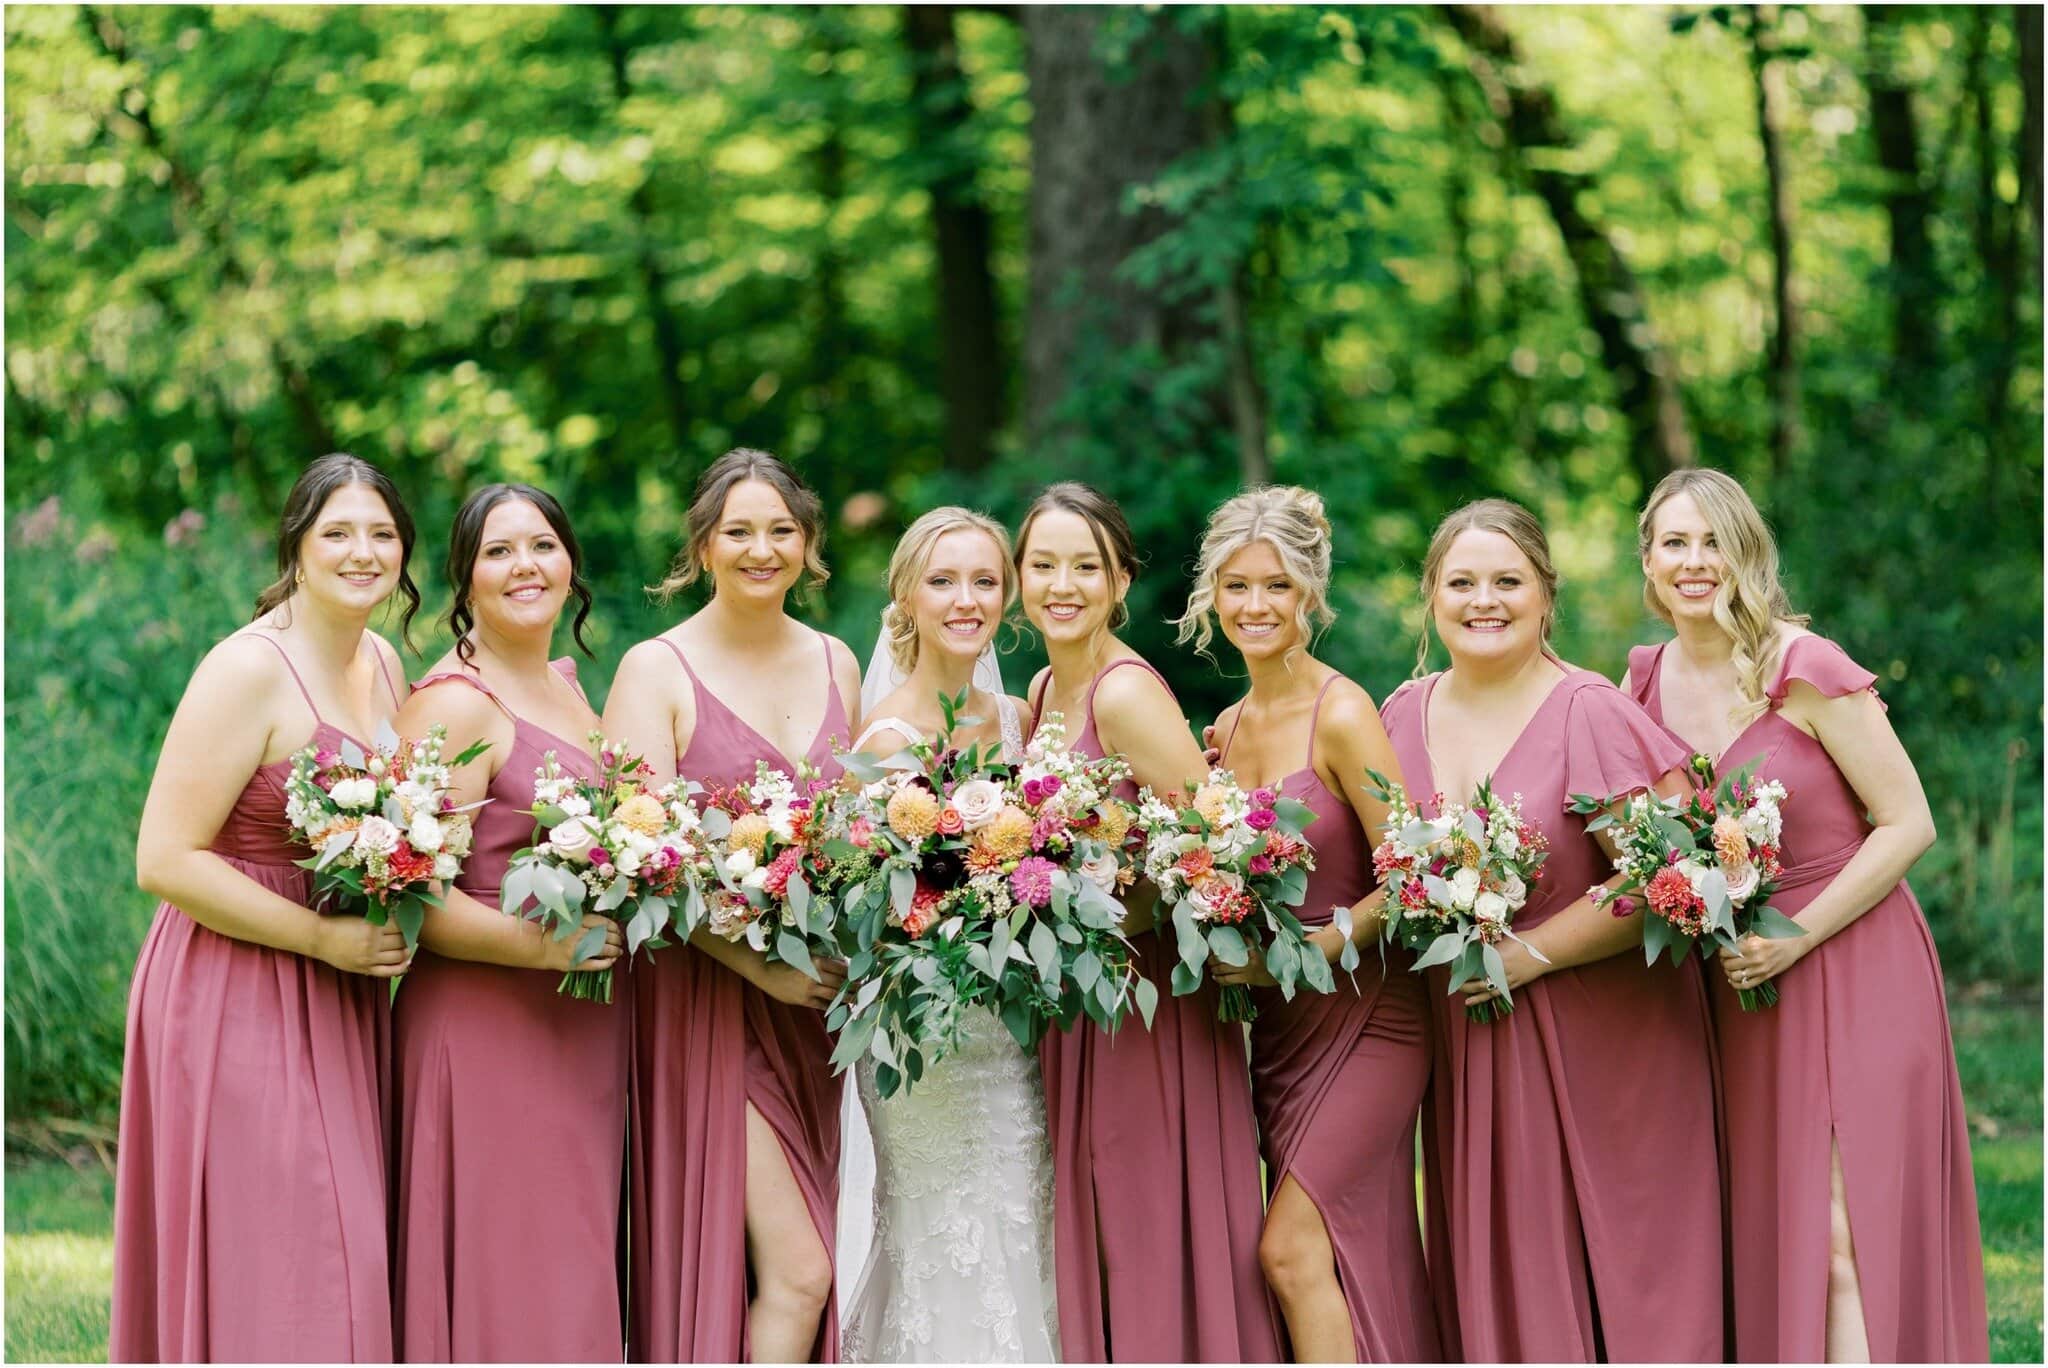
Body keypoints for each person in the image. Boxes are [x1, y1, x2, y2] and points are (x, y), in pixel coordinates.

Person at [1628, 468, 1989, 1362]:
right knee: (1782, 1223)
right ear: (1649, 560)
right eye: (1675, 542)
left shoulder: (1803, 667)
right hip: (1739, 985)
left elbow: (1909, 822)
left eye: (1714, 542)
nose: (1695, 561)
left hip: (1854, 957)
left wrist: (1797, 943)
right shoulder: (1638, 684)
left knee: (1840, 1231)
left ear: (1747, 553)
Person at [1378, 498, 1723, 1362]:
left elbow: (1666, 878)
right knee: (1507, 1271)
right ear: (1431, 595)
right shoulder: (1400, 714)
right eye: (1462, 582)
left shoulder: (1587, 710)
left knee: (1623, 1278)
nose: (1483, 601)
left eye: (1507, 581)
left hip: (1604, 1041)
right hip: (1468, 1038)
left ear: (1545, 594)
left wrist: (1524, 954)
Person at [114, 453, 416, 1361]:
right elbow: (164, 858)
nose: (363, 552)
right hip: (234, 983)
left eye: (382, 534)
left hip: (340, 990)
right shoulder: (246, 667)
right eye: (338, 532)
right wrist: (321, 937)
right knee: (295, 1253)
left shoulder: (385, 662)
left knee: (339, 1250)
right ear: (296, 545)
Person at [604, 448, 861, 1363]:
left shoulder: (837, 660)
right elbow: (638, 864)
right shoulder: (654, 670)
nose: (762, 549)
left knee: (817, 1259)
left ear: (809, 543)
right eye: (738, 531)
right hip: (705, 1002)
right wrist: (757, 965)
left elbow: (858, 836)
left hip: (813, 1011)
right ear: (703, 546)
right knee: (800, 1272)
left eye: (781, 530)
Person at [1015, 481, 1281, 1364]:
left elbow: (1214, 849)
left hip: (1147, 1003)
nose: (1063, 585)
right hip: (1080, 1002)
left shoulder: (1124, 692)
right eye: (1043, 565)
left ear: (1121, 580)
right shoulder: (1044, 686)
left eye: (1085, 567)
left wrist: (1111, 904)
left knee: (1144, 1229)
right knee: (1100, 1229)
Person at [1182, 486, 1439, 1363]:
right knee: (1337, 1254)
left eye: (1277, 586)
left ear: (1310, 594)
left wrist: (1313, 949)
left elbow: (1415, 874)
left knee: (1288, 1251)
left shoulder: (1343, 712)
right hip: (1280, 1032)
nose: (1255, 606)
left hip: (1369, 1021)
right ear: (1212, 594)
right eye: (1238, 586)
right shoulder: (1223, 732)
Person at [387, 483, 628, 1361]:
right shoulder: (455, 704)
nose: (525, 566)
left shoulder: (570, 689)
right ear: (465, 578)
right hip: (486, 1030)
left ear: (570, 564)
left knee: (570, 1275)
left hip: (582, 1029)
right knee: (513, 1279)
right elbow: (412, 892)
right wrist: (544, 947)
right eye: (498, 551)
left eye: (542, 546)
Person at [837, 506, 1059, 1363]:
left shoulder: (1017, 719)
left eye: (984, 581)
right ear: (906, 596)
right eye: (943, 581)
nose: (966, 600)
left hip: (1013, 1035)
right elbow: (871, 913)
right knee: (945, 1242)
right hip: (926, 1040)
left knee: (1026, 1232)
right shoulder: (884, 742)